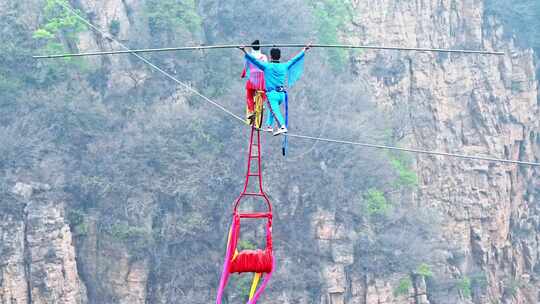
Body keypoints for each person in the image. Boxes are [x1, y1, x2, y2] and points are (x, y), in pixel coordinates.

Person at [239, 44, 310, 135]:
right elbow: (294, 60)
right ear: (279, 56)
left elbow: (254, 60)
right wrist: (304, 50)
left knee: (275, 110)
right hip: (282, 95)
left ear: (271, 56)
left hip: (272, 95)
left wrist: (244, 51)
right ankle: (269, 126)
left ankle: (282, 126)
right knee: (272, 109)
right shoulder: (284, 66)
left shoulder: (266, 66)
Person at [241, 40, 268, 121]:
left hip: (253, 78)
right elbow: (266, 67)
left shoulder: (249, 56)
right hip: (261, 78)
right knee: (263, 90)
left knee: (249, 95)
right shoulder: (264, 57)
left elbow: (245, 68)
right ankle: (262, 103)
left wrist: (243, 75)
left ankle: (252, 110)